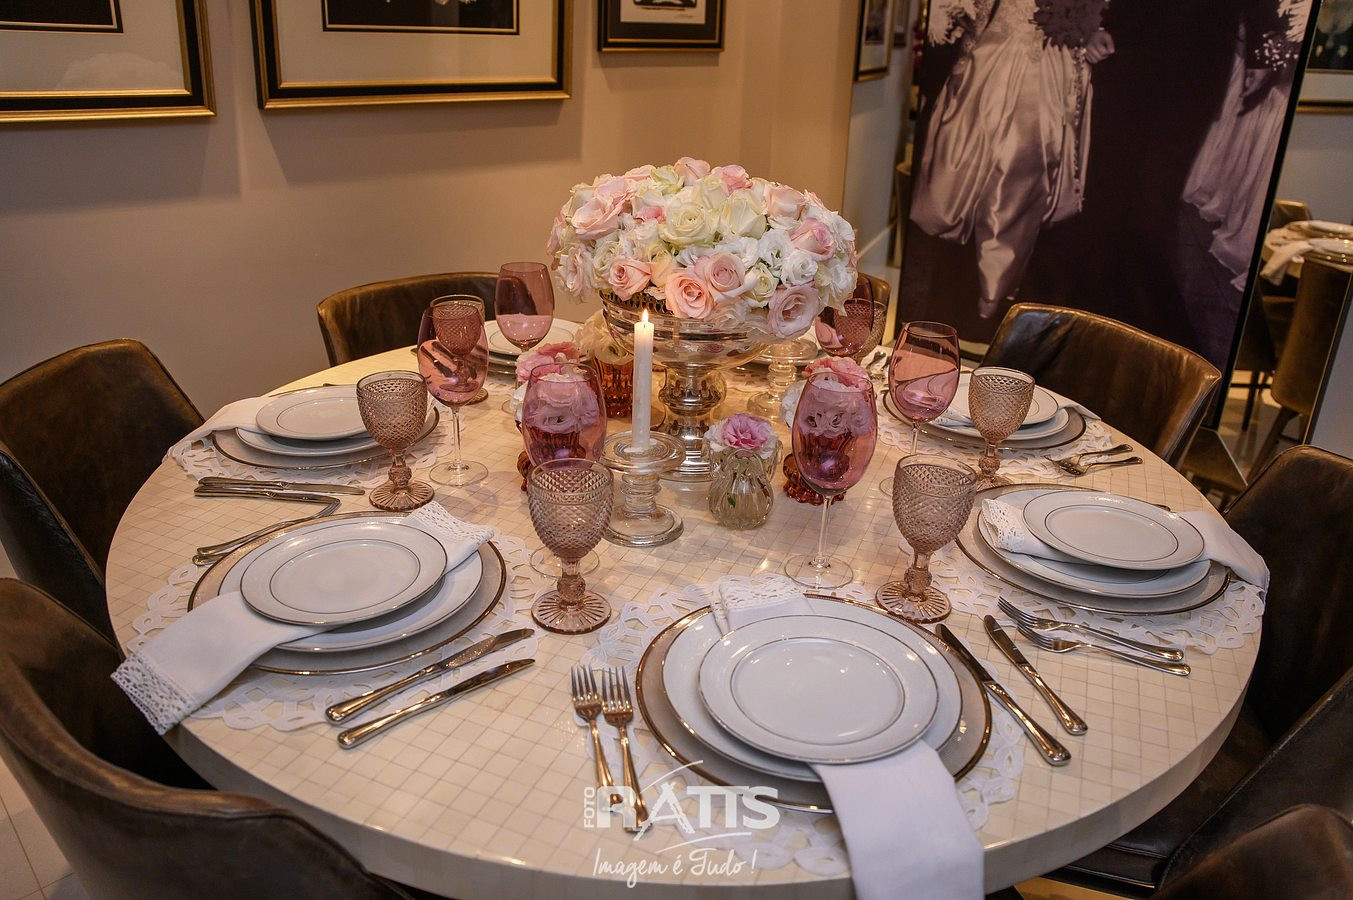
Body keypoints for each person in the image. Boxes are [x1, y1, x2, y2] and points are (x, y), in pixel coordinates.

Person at [910, 0, 1114, 319]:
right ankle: (964, 297)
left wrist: (1089, 30)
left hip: (1044, 70)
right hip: (990, 55)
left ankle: (993, 291)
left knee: (1018, 174)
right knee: (958, 167)